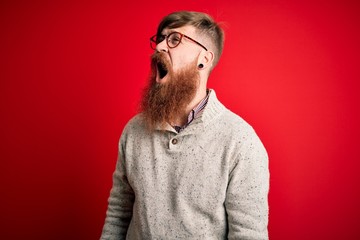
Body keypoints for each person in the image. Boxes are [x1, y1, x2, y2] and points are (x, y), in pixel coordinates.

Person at [101, 11, 269, 240]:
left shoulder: (240, 141)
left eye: (174, 40)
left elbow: (249, 235)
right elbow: (118, 214)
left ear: (204, 59)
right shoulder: (134, 130)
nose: (160, 47)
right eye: (160, 39)